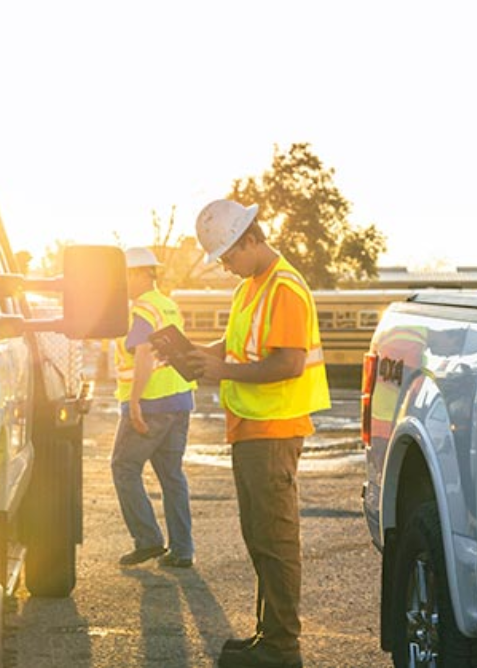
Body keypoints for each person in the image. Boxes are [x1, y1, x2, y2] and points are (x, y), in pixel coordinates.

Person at [188, 200, 331, 668]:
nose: (226, 267)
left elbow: (288, 363)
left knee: (275, 539)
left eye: (228, 256)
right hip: (250, 428)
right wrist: (194, 355)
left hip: (273, 430)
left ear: (251, 238)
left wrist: (221, 369)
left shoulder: (284, 288)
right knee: (259, 537)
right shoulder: (252, 287)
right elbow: (236, 348)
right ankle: (268, 636)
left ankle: (282, 646)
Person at [110, 247, 197, 568]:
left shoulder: (142, 309)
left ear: (139, 273)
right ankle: (182, 550)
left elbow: (144, 353)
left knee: (123, 468)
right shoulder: (168, 305)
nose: (122, 284)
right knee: (172, 475)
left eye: (125, 276)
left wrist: (134, 402)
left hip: (152, 404)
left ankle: (147, 540)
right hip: (179, 400)